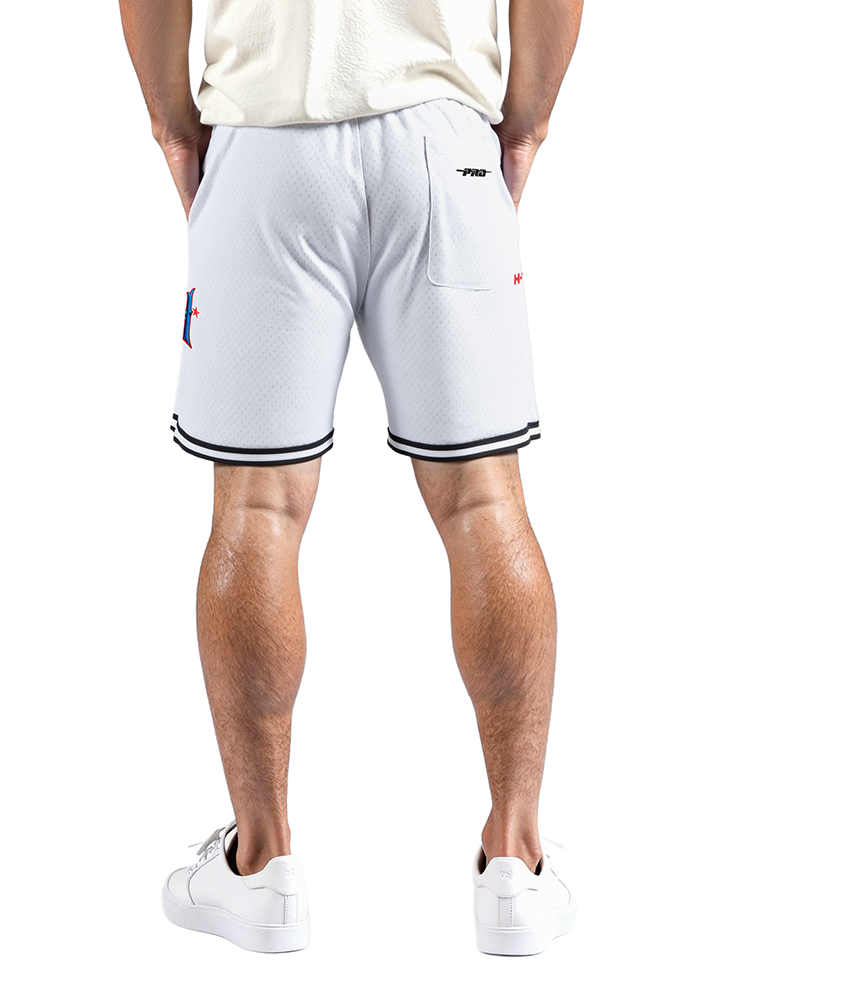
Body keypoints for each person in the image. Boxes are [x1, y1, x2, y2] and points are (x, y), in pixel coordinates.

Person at [119, 0, 584, 956]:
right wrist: (525, 124)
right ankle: (515, 862)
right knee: (484, 499)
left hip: (266, 136)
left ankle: (260, 868)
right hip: (444, 141)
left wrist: (173, 126)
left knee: (258, 507)